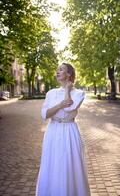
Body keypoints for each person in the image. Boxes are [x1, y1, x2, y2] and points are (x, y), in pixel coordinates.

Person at [35, 63, 90, 196]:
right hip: (53, 131)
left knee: (69, 165)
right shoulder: (50, 93)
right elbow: (44, 114)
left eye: (61, 70)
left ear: (69, 74)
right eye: (57, 70)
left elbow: (68, 109)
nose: (57, 72)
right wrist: (59, 105)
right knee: (52, 165)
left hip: (69, 132)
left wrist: (67, 90)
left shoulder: (79, 93)